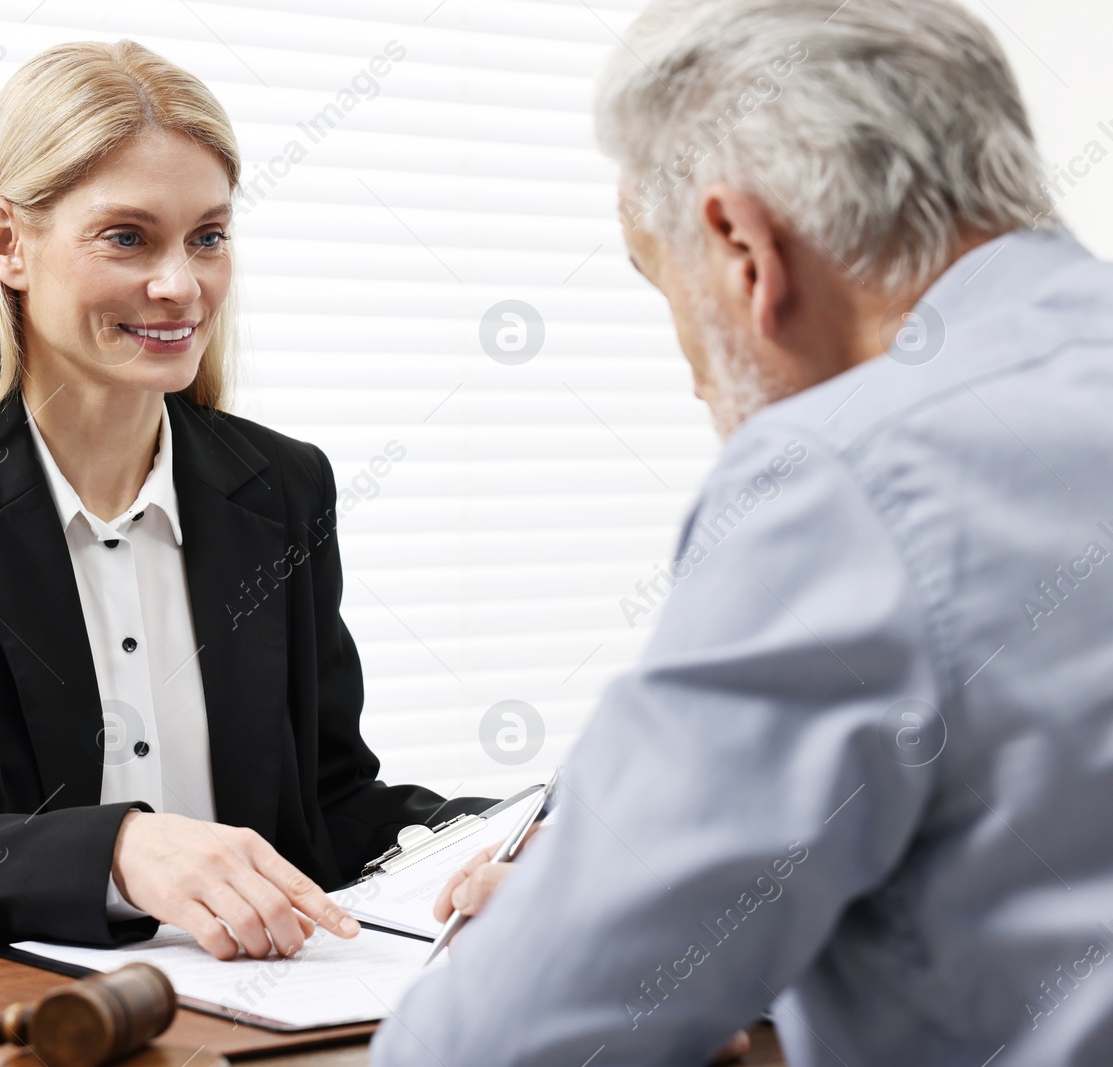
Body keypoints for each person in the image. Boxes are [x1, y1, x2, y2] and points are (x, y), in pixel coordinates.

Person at [374, 0, 1113, 1064]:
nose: (687, 374)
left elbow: (500, 1047)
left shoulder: (846, 474)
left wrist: (598, 919)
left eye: (661, 282)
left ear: (741, 247)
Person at [0, 39, 489, 961]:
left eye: (208, 237)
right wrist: (121, 848)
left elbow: (331, 805)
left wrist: (495, 843)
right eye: (128, 236)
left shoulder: (285, 491)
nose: (181, 284)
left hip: (257, 1021)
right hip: (21, 1029)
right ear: (8, 243)